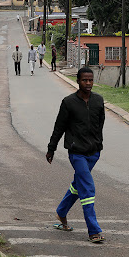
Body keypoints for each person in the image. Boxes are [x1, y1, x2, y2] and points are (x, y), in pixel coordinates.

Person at [46, 67, 105, 243]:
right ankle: (93, 230)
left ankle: (61, 212)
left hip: (94, 153)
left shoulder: (98, 101)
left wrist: (98, 144)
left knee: (79, 183)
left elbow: (100, 124)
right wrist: (51, 148)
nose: (88, 83)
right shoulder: (69, 102)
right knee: (87, 187)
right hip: (77, 153)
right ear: (78, 81)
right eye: (84, 80)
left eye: (91, 80)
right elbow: (59, 127)